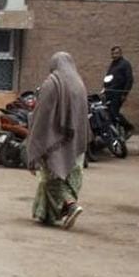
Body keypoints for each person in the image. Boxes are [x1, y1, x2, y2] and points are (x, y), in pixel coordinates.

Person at [27, 52, 89, 229]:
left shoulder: (52, 83)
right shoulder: (79, 83)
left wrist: (35, 139)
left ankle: (70, 205)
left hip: (54, 139)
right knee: (69, 175)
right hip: (75, 140)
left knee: (51, 176)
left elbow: (42, 114)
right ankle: (47, 214)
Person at [102, 45, 134, 138]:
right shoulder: (113, 64)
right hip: (109, 93)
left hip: (118, 93)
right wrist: (104, 89)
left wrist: (124, 93)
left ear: (120, 53)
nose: (114, 55)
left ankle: (128, 127)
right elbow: (108, 78)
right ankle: (114, 134)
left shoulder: (125, 64)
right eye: (113, 53)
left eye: (116, 53)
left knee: (114, 112)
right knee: (109, 113)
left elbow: (130, 79)